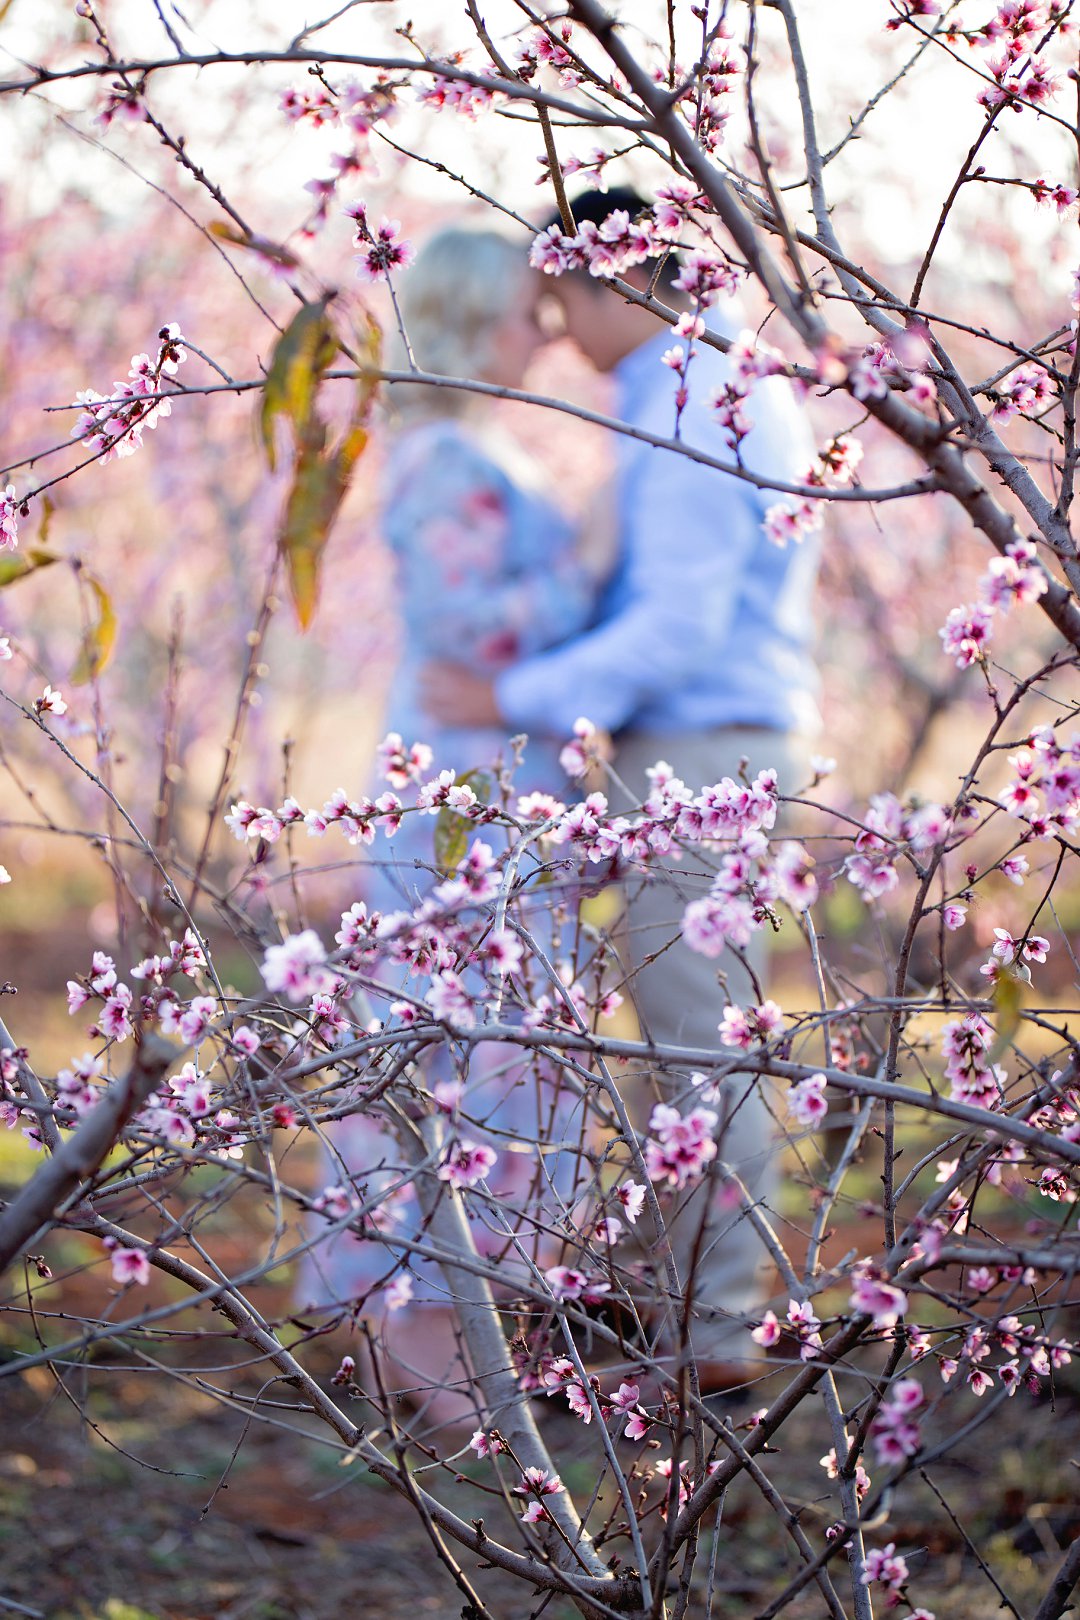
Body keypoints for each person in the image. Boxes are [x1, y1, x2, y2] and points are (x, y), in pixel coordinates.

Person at [420, 187, 821, 1394]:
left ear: (612, 280)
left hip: (707, 749)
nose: (551, 324)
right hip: (697, 750)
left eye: (560, 294)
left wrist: (519, 694)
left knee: (701, 1048)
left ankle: (715, 1337)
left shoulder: (703, 397)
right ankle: (675, 1303)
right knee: (677, 1044)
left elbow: (680, 628)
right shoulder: (682, 386)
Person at [301, 225, 607, 1429]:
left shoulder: (469, 446)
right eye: (528, 310)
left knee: (493, 1060)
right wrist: (591, 565)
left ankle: (450, 1343)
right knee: (457, 1061)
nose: (547, 329)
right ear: (479, 320)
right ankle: (421, 1351)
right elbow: (464, 629)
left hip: (493, 791)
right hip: (458, 810)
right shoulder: (438, 457)